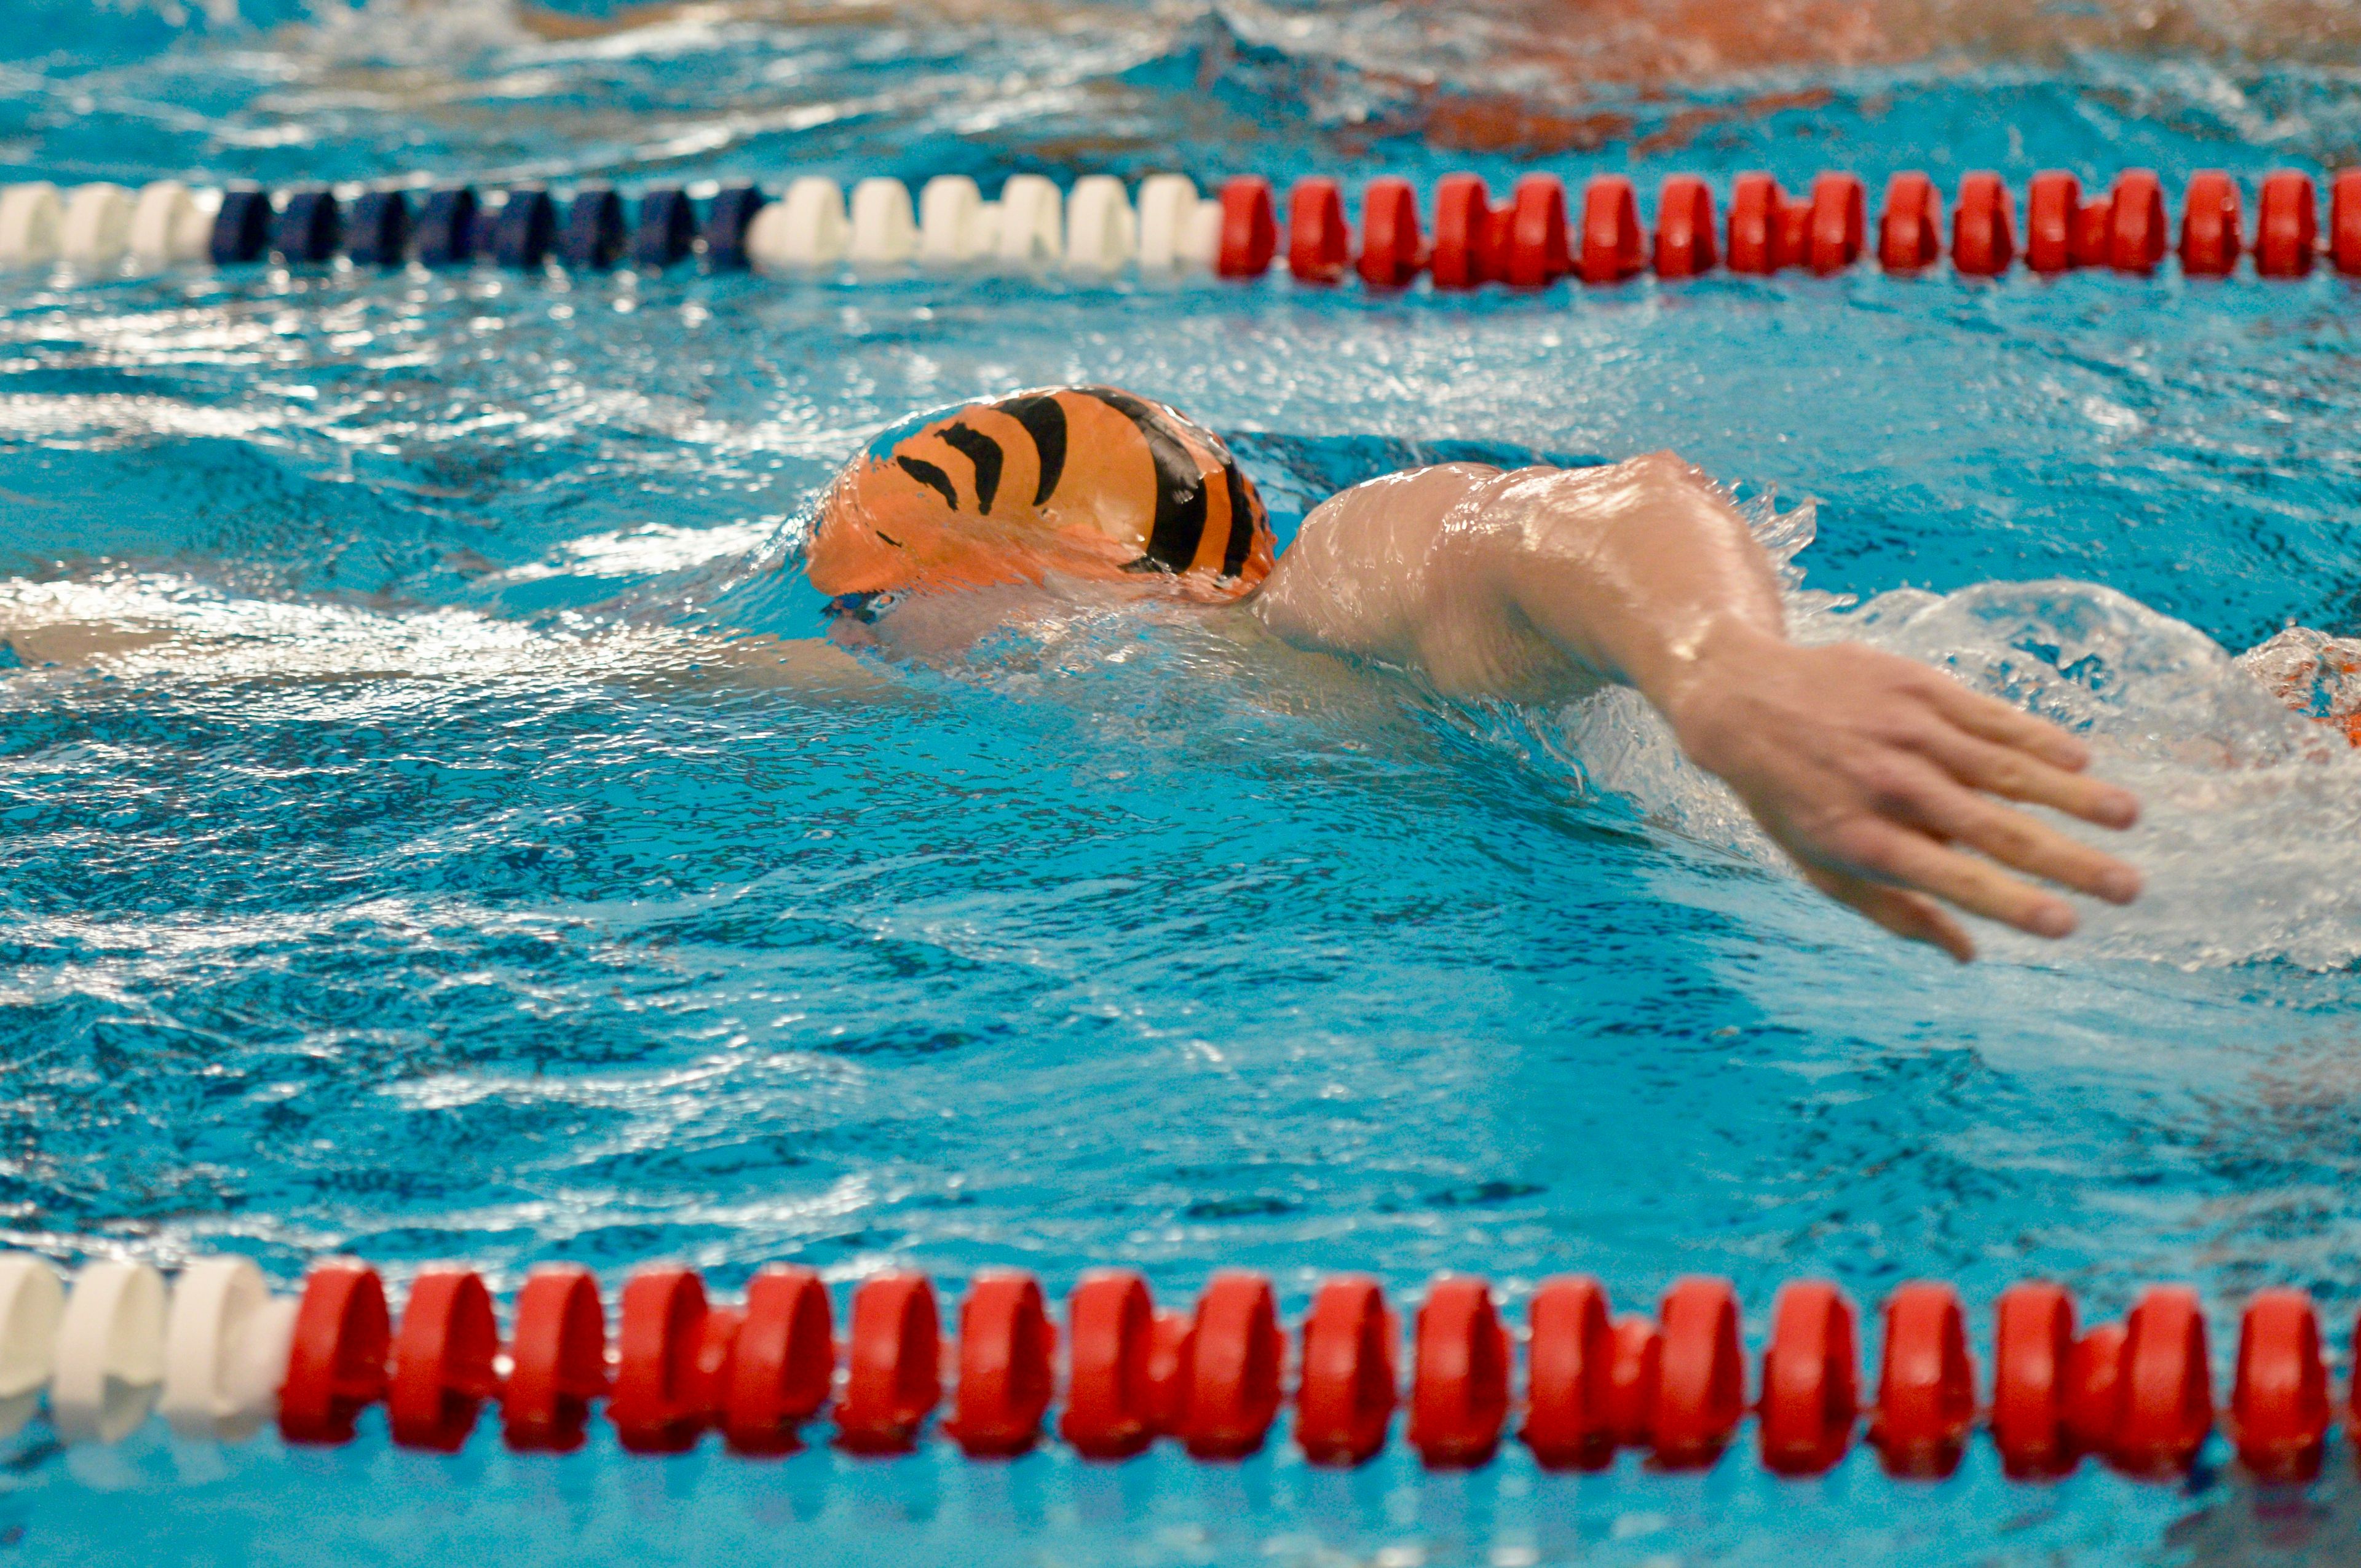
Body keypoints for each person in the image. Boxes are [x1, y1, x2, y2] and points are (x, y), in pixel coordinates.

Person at [809, 384, 2148, 962]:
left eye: (876, 605)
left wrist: (1727, 670)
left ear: (1056, 576)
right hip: (1999, 846)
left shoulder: (1326, 590)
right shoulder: (1228, 696)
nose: (855, 642)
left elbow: (1600, 512)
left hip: (2120, 803)